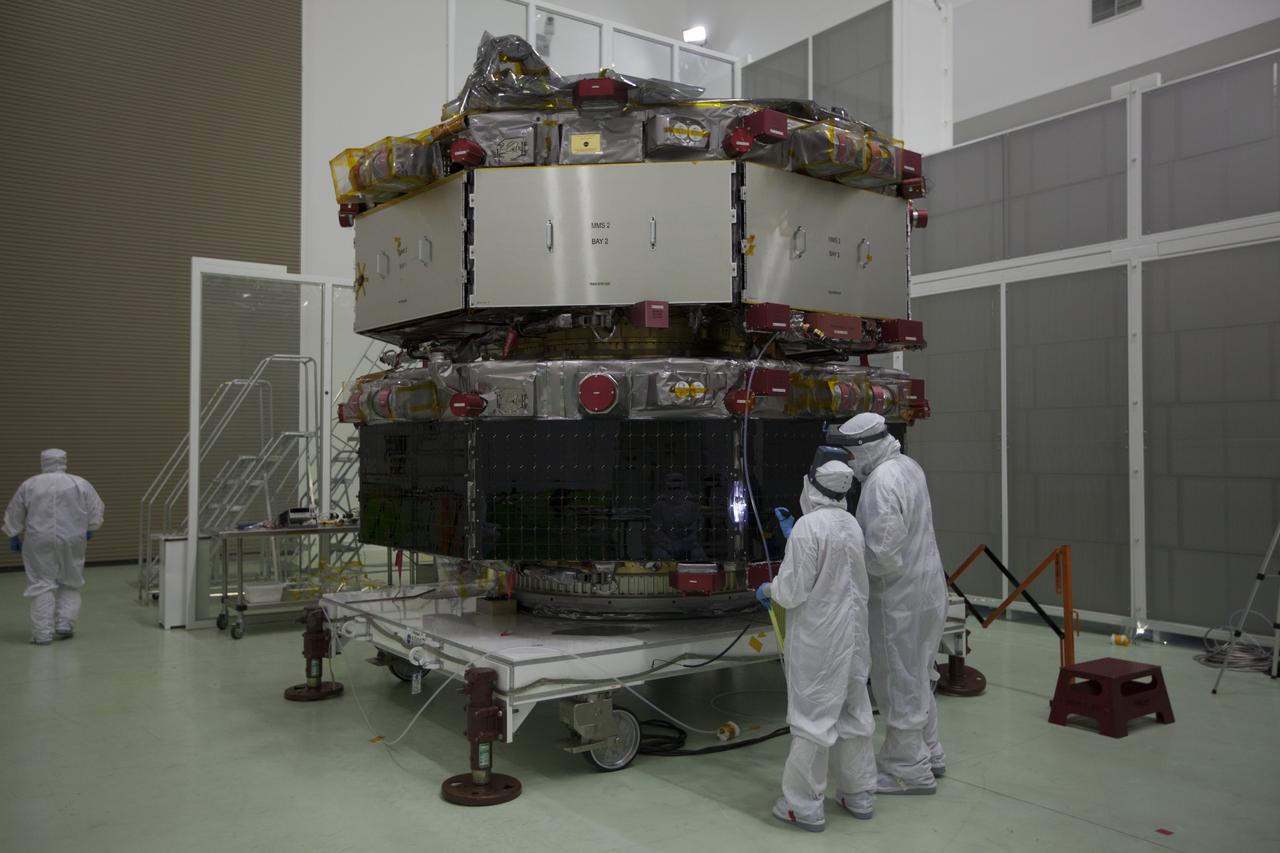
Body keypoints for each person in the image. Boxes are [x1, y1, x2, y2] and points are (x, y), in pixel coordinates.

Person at [755, 459, 876, 831]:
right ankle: (858, 794)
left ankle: (802, 805)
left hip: (821, 638)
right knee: (855, 711)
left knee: (812, 718)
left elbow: (791, 592)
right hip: (855, 635)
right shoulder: (851, 523)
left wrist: (768, 589)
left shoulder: (809, 527)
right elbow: (836, 565)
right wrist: (797, 537)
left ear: (811, 486)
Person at [835, 412, 947, 794]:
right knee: (918, 673)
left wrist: (845, 557)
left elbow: (882, 555)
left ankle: (907, 769)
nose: (851, 463)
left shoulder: (881, 483)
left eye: (851, 454)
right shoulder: (907, 466)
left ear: (865, 448)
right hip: (928, 590)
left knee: (898, 680)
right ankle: (930, 751)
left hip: (898, 599)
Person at [3, 449, 104, 645]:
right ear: (64, 461)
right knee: (71, 580)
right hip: (72, 538)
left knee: (41, 582)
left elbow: (15, 511)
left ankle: (42, 634)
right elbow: (95, 508)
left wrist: (13, 533)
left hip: (38, 539)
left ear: (43, 461)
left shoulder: (30, 484)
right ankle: (65, 623)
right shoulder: (80, 483)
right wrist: (91, 527)